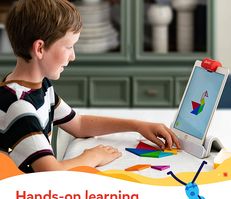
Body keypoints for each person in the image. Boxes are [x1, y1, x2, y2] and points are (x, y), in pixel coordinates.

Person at [0, 0, 180, 173]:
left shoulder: (40, 87)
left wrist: (138, 125)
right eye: (69, 46)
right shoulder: (20, 106)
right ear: (39, 48)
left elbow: (79, 124)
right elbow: (52, 172)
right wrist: (91, 157)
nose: (73, 56)